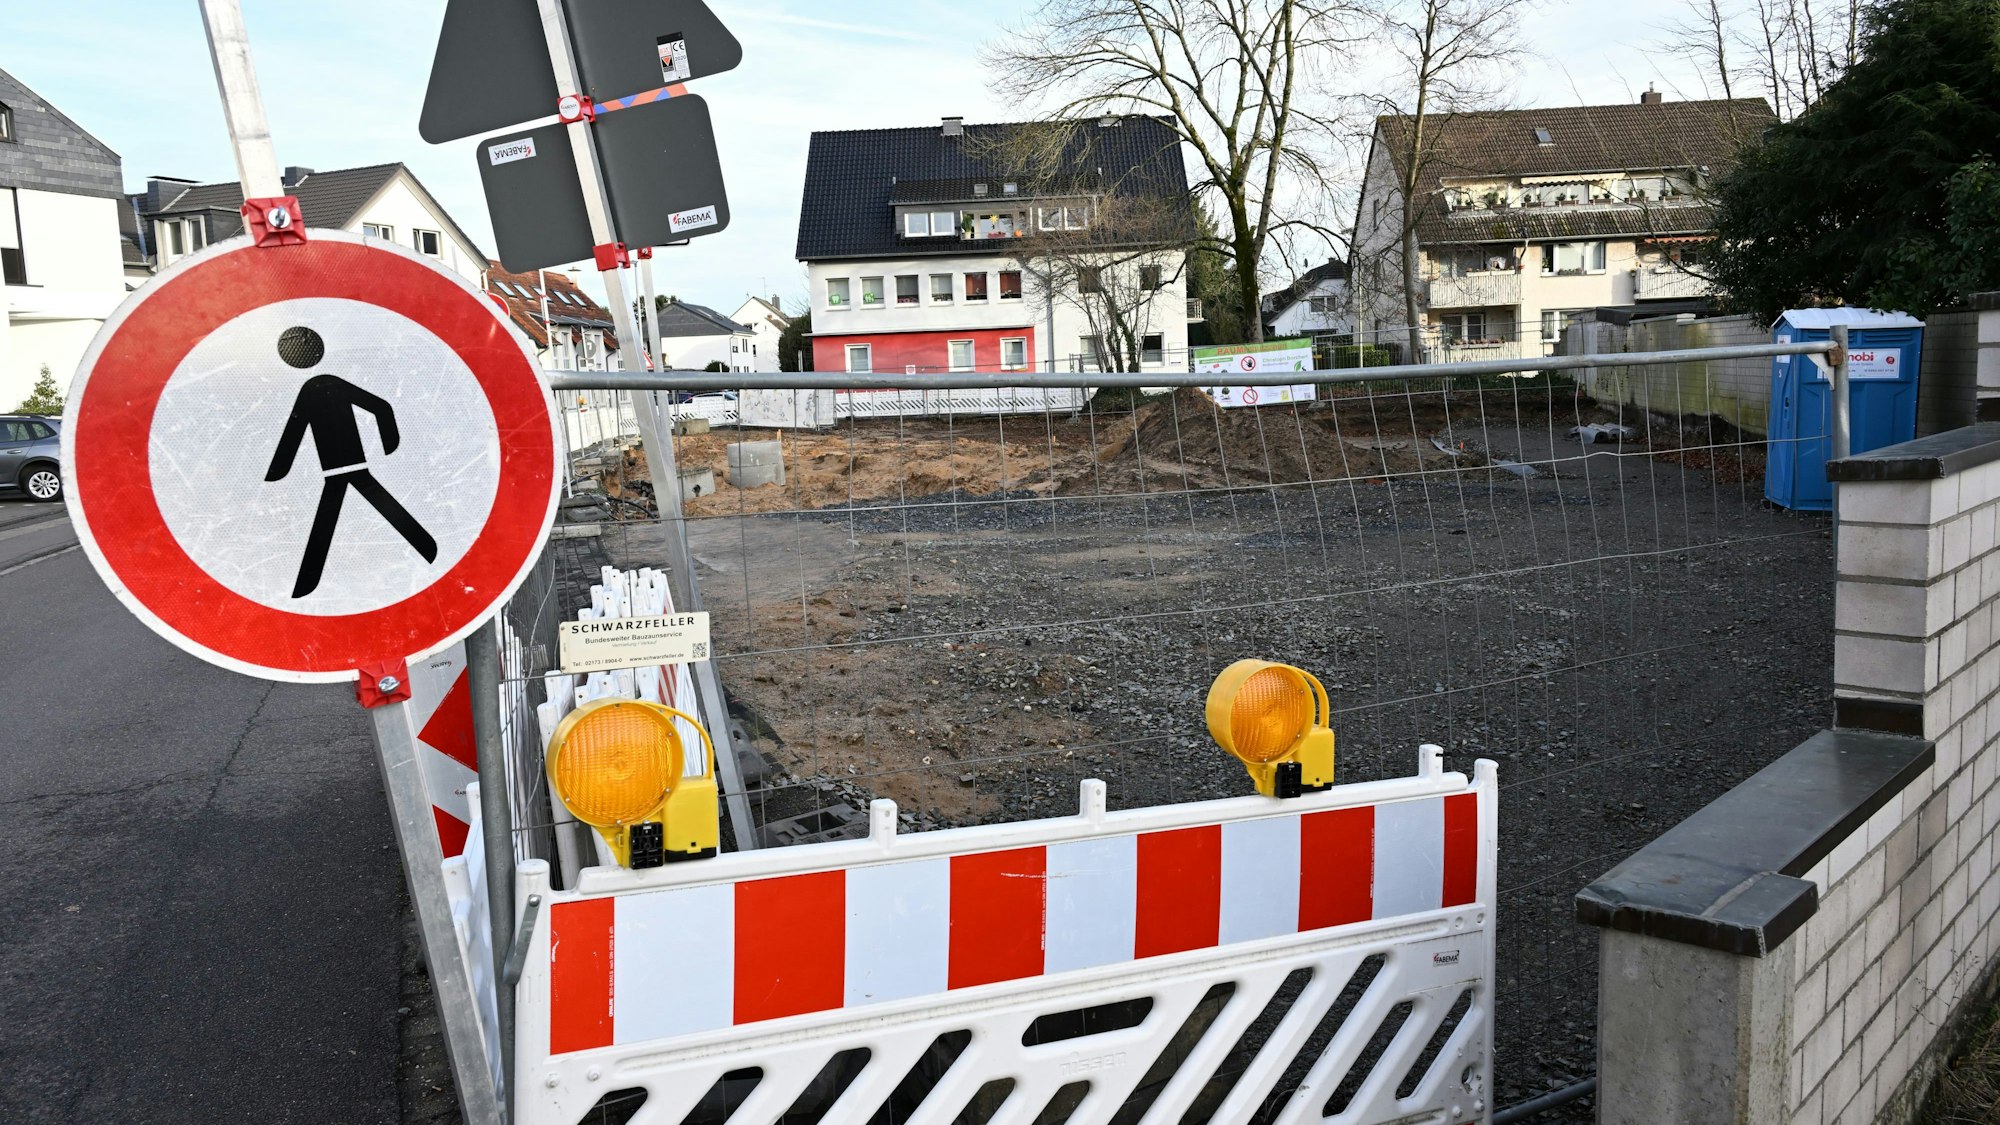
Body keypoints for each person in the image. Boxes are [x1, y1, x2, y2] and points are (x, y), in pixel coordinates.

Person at [264, 326, 438, 598]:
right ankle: (428, 548)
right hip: (352, 465)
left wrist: (277, 471)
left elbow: (293, 433)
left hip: (336, 469)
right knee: (366, 508)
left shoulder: (313, 390)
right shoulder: (332, 384)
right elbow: (381, 407)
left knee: (329, 519)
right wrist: (388, 444)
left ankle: (305, 584)